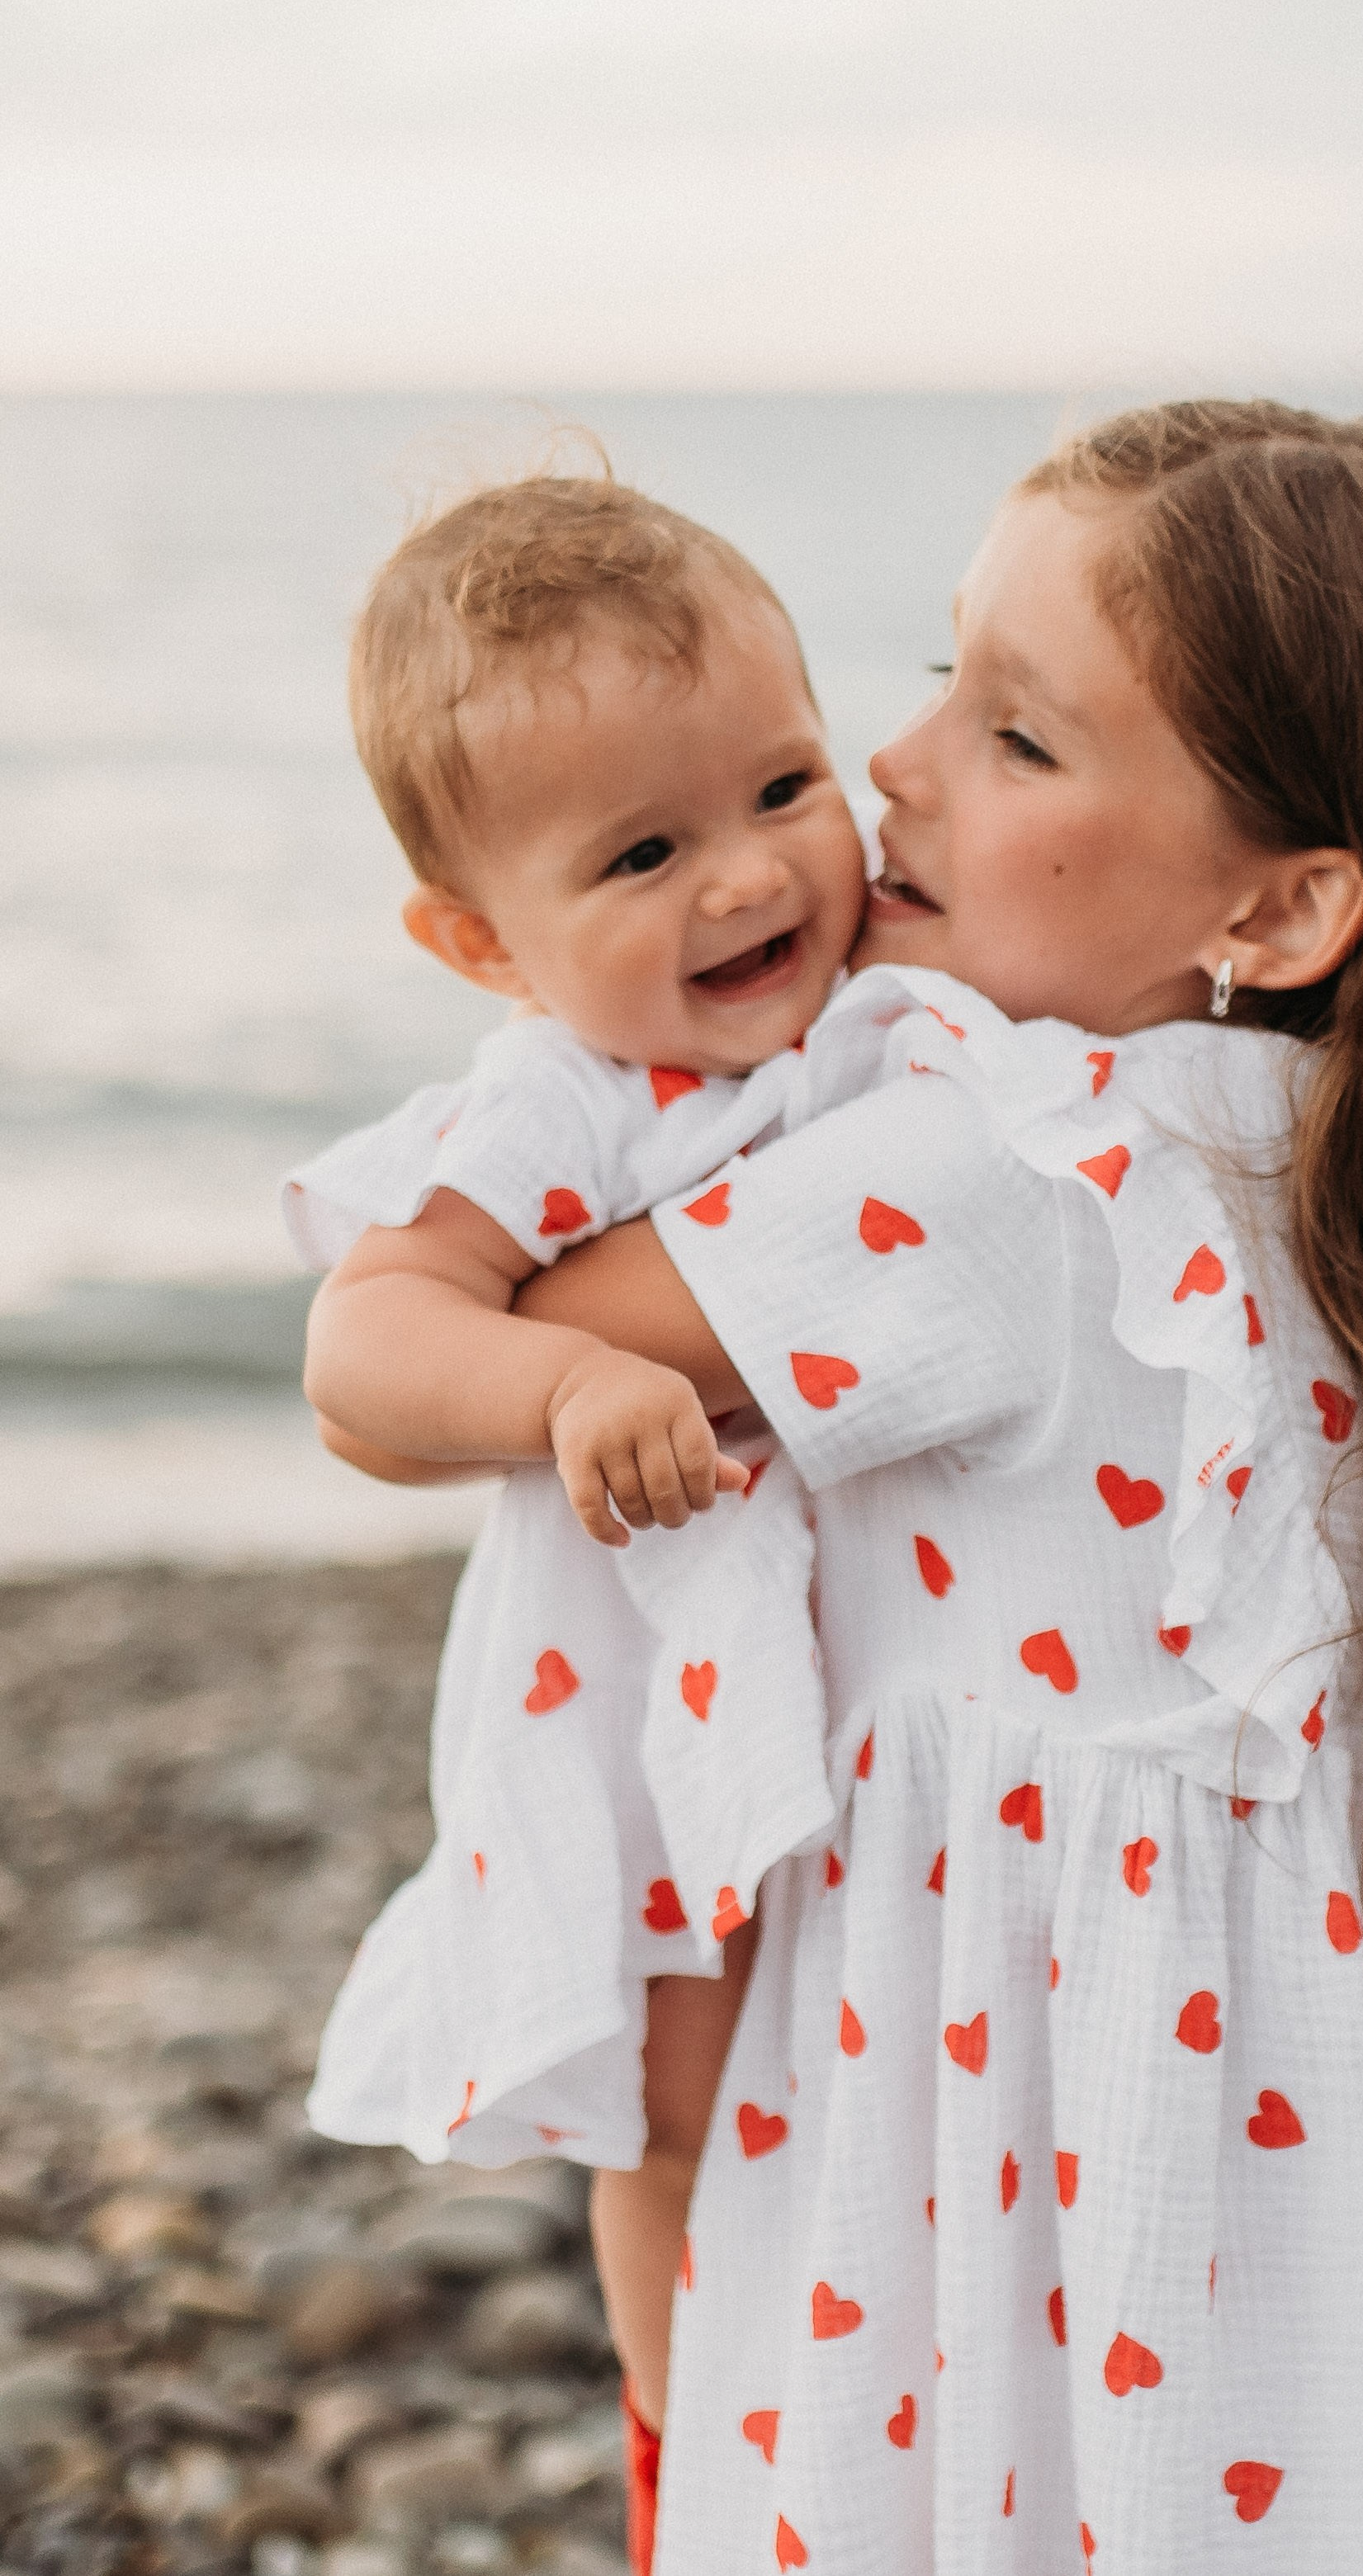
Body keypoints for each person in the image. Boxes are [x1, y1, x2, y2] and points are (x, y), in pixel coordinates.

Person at [336, 400, 1363, 2570]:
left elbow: (416, 1372)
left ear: (1284, 904)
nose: (891, 768)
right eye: (937, 674)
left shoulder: (990, 1168)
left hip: (975, 2110)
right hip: (1259, 2141)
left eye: (1013, 734)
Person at [288, 469, 869, 2544]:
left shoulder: (884, 989)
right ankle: (689, 2459)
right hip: (652, 1699)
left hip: (870, 1675)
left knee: (871, 2065)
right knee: (682, 2112)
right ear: (483, 945)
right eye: (642, 852)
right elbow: (365, 1351)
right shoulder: (569, 1095)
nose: (751, 874)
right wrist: (567, 1379)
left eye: (784, 783)